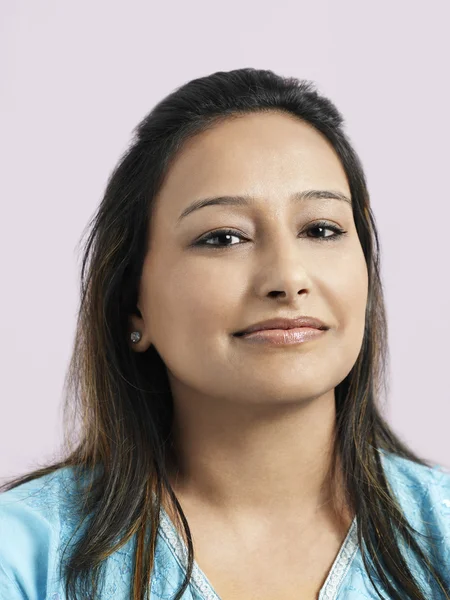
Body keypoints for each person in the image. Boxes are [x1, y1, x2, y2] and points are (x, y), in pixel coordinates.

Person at [1, 68, 449, 600]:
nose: (288, 279)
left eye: (321, 229)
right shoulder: (24, 558)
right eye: (223, 237)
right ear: (132, 307)